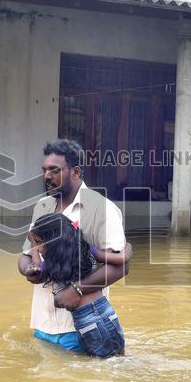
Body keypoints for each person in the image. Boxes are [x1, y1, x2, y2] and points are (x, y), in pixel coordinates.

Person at [17, 139, 129, 353]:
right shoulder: (42, 207)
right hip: (42, 323)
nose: (46, 176)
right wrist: (30, 270)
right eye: (44, 170)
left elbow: (121, 266)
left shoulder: (102, 209)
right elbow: (27, 253)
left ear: (76, 172)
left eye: (54, 170)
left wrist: (77, 289)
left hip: (82, 327)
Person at [26, 213, 131, 357]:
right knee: (120, 360)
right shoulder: (88, 250)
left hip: (87, 322)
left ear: (51, 243)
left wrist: (33, 248)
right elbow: (121, 259)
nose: (38, 247)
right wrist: (128, 246)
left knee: (93, 367)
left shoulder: (53, 264)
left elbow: (36, 270)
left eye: (38, 243)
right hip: (108, 314)